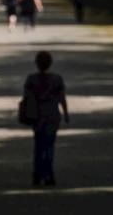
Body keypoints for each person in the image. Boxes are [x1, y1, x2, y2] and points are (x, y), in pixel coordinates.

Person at [23, 51, 69, 186]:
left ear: (37, 64)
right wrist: (66, 113)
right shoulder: (57, 79)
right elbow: (62, 98)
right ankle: (49, 174)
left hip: (37, 116)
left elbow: (26, 98)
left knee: (38, 145)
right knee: (49, 145)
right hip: (52, 116)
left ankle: (37, 174)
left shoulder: (31, 79)